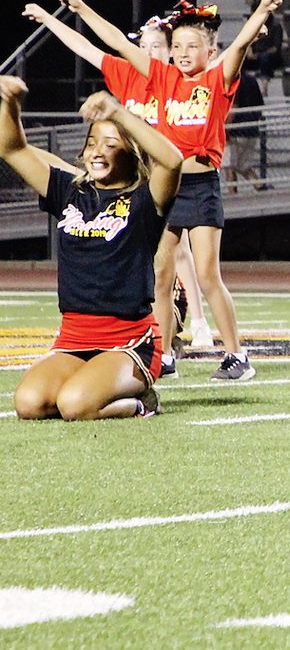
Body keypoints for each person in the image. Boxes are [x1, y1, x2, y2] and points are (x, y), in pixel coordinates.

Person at [28, 0, 284, 381]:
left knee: (206, 274)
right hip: (164, 189)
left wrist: (263, 9)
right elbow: (113, 39)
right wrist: (80, 8)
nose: (182, 53)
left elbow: (240, 45)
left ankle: (237, 355)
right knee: (161, 272)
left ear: (209, 53)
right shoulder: (162, 76)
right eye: (177, 46)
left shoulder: (216, 80)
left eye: (191, 46)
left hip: (201, 186)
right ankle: (162, 353)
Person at [4, 79, 184, 420]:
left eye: (110, 144)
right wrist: (10, 103)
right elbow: (12, 149)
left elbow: (172, 161)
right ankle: (94, 384)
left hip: (129, 342)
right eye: (91, 143)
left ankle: (141, 402)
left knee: (74, 405)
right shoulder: (70, 191)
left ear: (130, 153)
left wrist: (117, 111)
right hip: (74, 337)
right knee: (29, 404)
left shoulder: (145, 200)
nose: (96, 151)